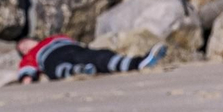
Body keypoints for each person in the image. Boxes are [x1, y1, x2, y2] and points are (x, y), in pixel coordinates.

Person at [16, 35, 166, 84]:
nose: (24, 47)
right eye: (21, 49)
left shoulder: (53, 38)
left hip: (72, 48)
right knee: (56, 68)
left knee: (99, 56)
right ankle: (77, 71)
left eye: (24, 43)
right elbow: (27, 68)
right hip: (50, 57)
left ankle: (139, 63)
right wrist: (27, 78)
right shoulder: (32, 55)